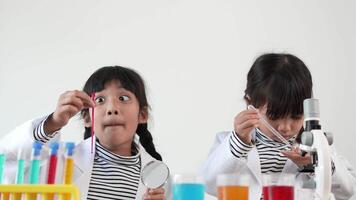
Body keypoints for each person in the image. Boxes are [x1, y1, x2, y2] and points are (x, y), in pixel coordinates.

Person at [200, 53, 356, 199]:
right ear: (251, 104)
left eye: (296, 116)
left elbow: (347, 191)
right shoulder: (231, 143)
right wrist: (239, 142)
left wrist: (317, 163)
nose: (285, 127)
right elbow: (209, 184)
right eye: (275, 117)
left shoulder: (317, 147)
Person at [0, 66, 167, 200]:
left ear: (142, 115)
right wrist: (52, 123)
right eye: (100, 100)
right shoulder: (56, 162)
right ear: (87, 118)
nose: (112, 109)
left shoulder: (160, 183)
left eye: (123, 98)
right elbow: (6, 164)